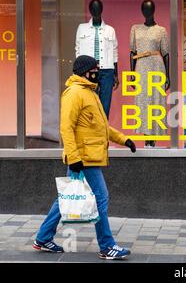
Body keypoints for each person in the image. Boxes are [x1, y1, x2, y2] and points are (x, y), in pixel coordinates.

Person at [33, 55, 137, 260]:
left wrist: (124, 140)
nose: (97, 72)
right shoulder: (74, 93)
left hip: (87, 156)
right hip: (83, 157)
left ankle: (43, 238)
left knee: (66, 198)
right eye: (94, 69)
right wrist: (74, 158)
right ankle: (107, 246)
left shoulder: (89, 92)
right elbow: (66, 128)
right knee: (100, 196)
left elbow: (102, 127)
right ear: (85, 71)